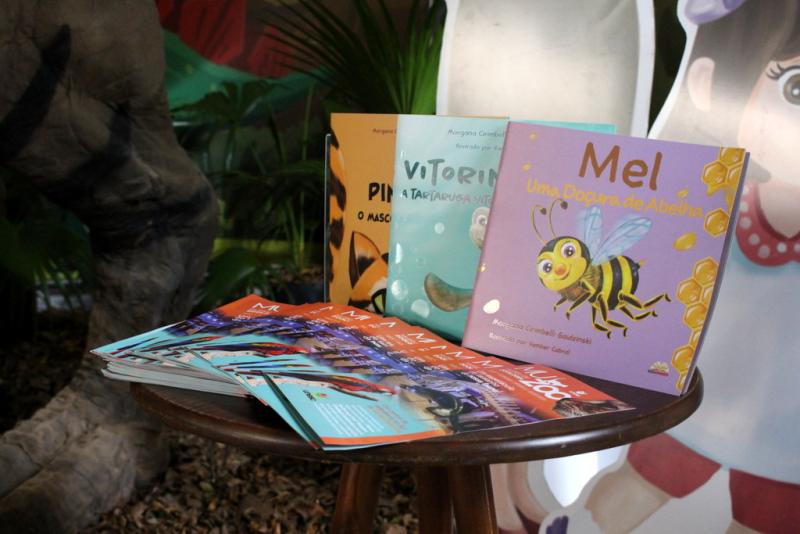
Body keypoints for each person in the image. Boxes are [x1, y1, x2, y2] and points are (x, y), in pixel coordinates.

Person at [542, 1, 800, 532]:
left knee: (767, 518)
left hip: (785, 428)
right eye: (794, 89)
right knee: (637, 484)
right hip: (695, 401)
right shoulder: (710, 206)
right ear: (708, 85)